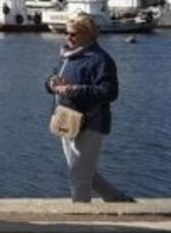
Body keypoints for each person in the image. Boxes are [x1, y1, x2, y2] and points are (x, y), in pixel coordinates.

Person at [45, 14, 134, 203]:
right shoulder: (67, 56)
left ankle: (81, 220)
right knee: (83, 172)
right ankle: (117, 199)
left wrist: (73, 90)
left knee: (79, 176)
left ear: (88, 35)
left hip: (90, 123)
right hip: (66, 120)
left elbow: (110, 92)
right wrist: (51, 84)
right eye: (66, 33)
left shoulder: (100, 59)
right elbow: (52, 80)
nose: (68, 37)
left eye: (73, 34)